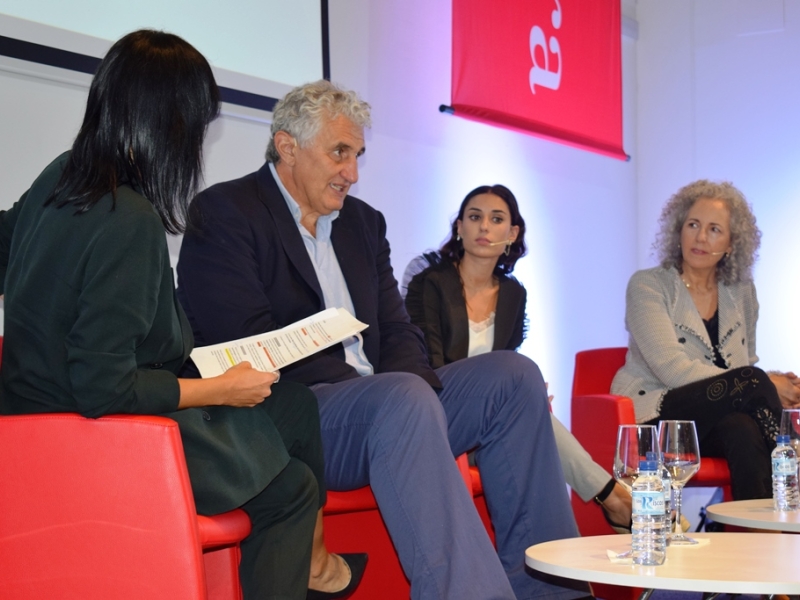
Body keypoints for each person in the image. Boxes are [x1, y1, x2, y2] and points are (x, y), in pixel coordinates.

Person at [176, 80, 589, 600]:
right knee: (400, 397)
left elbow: (397, 330)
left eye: (358, 156)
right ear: (287, 147)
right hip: (300, 413)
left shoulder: (363, 224)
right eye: (340, 153)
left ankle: (550, 592)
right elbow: (240, 339)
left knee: (513, 376)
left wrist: (421, 397)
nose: (352, 172)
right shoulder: (227, 212)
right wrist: (392, 392)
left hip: (394, 406)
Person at [0, 30, 355, 600]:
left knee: (291, 404)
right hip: (96, 435)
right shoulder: (127, 218)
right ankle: (304, 557)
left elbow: (7, 250)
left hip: (32, 413)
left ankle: (310, 561)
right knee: (292, 491)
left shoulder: (62, 174)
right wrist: (219, 391)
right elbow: (103, 388)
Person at [402, 184, 632, 532]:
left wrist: (524, 393)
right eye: (474, 217)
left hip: (494, 419)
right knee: (529, 414)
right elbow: (429, 368)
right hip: (443, 410)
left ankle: (604, 514)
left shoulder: (513, 293)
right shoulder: (429, 283)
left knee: (532, 413)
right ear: (459, 228)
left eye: (496, 220)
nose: (483, 227)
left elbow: (507, 360)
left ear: (511, 234)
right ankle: (614, 498)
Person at [611, 179, 800, 501]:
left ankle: (758, 538)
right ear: (678, 230)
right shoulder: (648, 285)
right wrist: (765, 382)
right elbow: (671, 368)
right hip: (658, 413)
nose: (700, 237)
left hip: (718, 417)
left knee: (742, 428)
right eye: (693, 225)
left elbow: (745, 363)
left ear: (731, 243)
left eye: (714, 229)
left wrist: (758, 382)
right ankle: (792, 466)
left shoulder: (741, 291)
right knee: (754, 381)